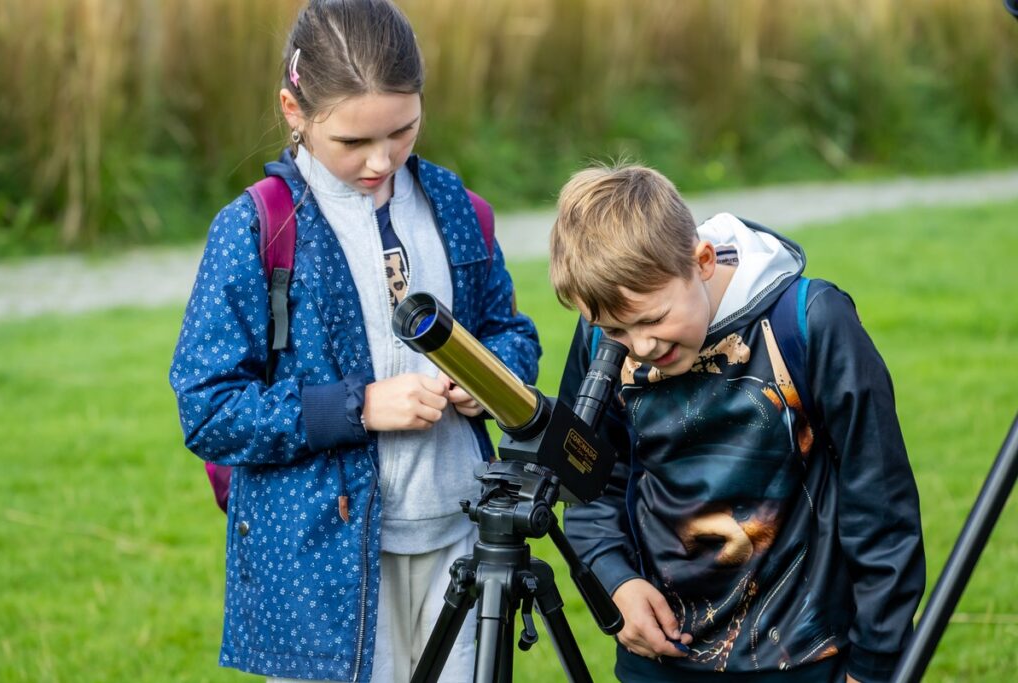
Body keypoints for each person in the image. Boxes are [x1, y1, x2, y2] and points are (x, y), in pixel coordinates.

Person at [169, 1, 541, 681]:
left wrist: (488, 379)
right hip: (320, 564)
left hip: (463, 541)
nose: (381, 159)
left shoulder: (456, 207)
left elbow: (509, 330)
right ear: (293, 110)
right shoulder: (256, 229)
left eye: (403, 130)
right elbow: (208, 407)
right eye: (353, 141)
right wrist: (359, 406)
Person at [549, 163, 925, 683]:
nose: (641, 346)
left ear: (702, 261)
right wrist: (615, 580)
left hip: (804, 659)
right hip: (660, 658)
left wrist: (877, 662)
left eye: (652, 319)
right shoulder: (602, 339)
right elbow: (587, 479)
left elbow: (879, 504)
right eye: (617, 330)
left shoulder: (811, 321)